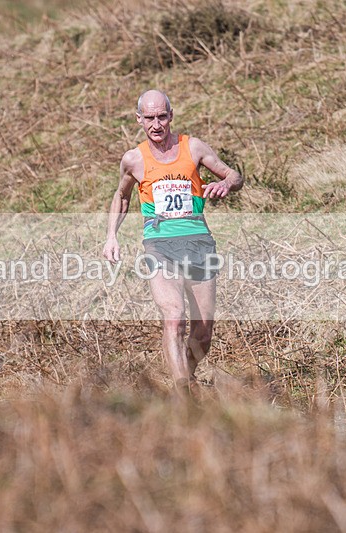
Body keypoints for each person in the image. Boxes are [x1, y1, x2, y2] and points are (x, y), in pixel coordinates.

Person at [103, 89, 244, 393]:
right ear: (139, 119)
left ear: (171, 115)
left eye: (162, 116)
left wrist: (225, 184)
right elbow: (122, 196)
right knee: (173, 316)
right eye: (150, 118)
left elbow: (235, 175)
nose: (157, 124)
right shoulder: (133, 160)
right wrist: (111, 236)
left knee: (204, 332)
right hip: (159, 246)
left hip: (198, 244)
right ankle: (184, 392)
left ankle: (188, 375)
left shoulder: (193, 148)